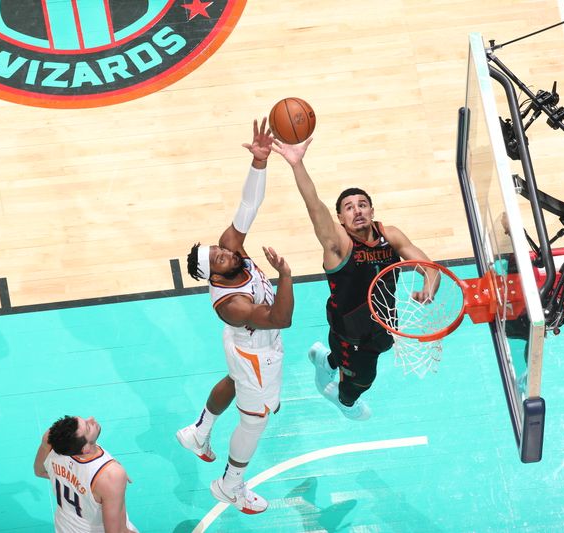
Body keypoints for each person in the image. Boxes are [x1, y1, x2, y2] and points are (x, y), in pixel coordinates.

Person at [176, 118, 293, 515]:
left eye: (220, 250)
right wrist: (286, 275)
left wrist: (260, 162)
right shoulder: (231, 305)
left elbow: (249, 205)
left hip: (241, 348)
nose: (226, 252)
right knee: (254, 420)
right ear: (214, 275)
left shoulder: (231, 250)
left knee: (232, 380)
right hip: (256, 353)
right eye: (218, 258)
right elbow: (280, 318)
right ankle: (230, 484)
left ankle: (200, 430)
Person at [272, 137, 435, 421]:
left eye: (362, 205)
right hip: (351, 334)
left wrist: (428, 289)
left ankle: (327, 360)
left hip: (382, 323)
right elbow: (314, 207)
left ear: (372, 211)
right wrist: (297, 164)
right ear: (340, 217)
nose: (357, 210)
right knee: (361, 380)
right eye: (349, 207)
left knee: (378, 347)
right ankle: (342, 400)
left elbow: (429, 267)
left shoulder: (390, 235)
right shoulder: (339, 245)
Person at [33, 415, 138, 533]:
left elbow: (40, 471)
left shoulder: (52, 441)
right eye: (88, 427)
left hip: (64, 527)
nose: (92, 419)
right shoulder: (111, 475)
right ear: (85, 449)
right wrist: (113, 478)